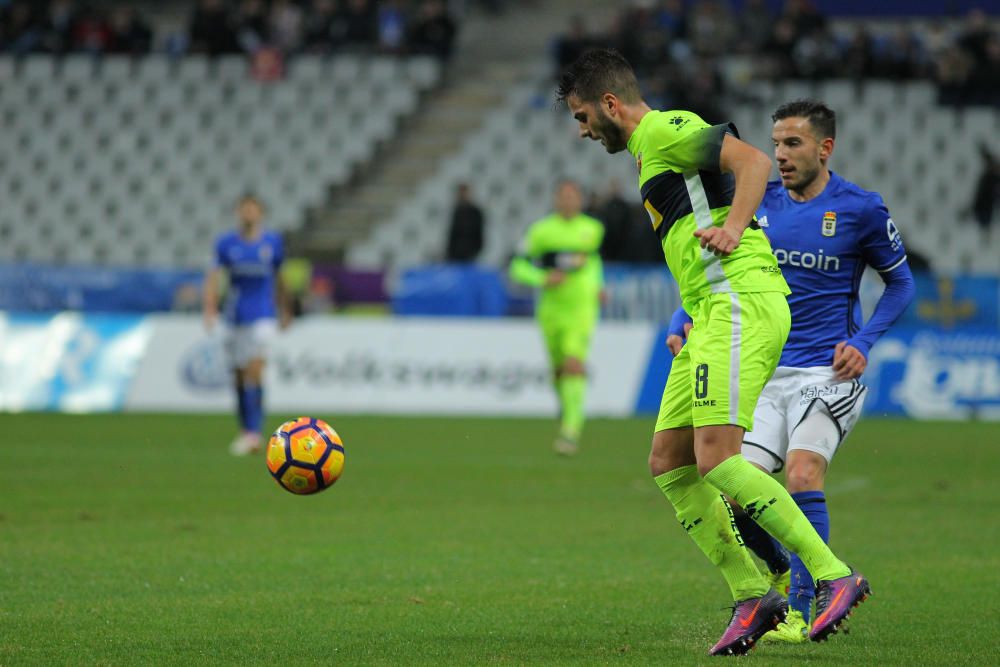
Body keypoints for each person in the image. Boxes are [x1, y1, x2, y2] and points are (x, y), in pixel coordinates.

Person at [557, 48, 868, 655]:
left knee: (719, 460)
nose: (583, 129)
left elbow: (751, 161)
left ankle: (834, 575)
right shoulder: (649, 152)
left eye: (582, 115)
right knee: (668, 463)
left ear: (610, 104)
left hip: (740, 302)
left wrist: (734, 227)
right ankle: (753, 592)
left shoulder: (667, 129)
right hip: (709, 314)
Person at [667, 99, 915, 643]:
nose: (779, 155)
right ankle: (782, 572)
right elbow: (718, 266)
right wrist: (683, 316)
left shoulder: (861, 208)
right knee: (730, 487)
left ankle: (806, 608)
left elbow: (902, 284)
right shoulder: (757, 203)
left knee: (802, 473)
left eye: (793, 144)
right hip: (761, 369)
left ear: (825, 148)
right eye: (775, 144)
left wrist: (864, 340)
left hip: (827, 374)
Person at [509, 180, 604, 456]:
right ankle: (566, 407)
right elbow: (517, 266)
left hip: (581, 307)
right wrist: (541, 278)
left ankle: (570, 431)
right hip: (551, 309)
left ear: (580, 200)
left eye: (573, 196)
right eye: (563, 196)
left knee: (574, 363)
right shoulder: (540, 232)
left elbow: (593, 261)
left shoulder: (592, 229)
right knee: (559, 369)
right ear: (556, 199)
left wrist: (598, 285)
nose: (568, 200)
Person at [203, 194, 291, 456]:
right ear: (239, 212)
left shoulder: (272, 242)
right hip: (235, 315)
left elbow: (280, 277)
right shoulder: (226, 244)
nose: (249, 214)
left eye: (253, 209)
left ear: (261, 213)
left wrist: (286, 308)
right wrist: (209, 309)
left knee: (255, 370)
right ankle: (246, 430)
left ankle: (255, 432)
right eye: (245, 209)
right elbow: (214, 277)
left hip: (263, 315)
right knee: (240, 376)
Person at [445, 183, 485, 263]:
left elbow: (478, 233)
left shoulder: (475, 212)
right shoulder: (456, 211)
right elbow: (453, 234)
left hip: (470, 253)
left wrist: (475, 250)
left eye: (464, 192)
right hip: (455, 254)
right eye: (460, 192)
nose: (462, 195)